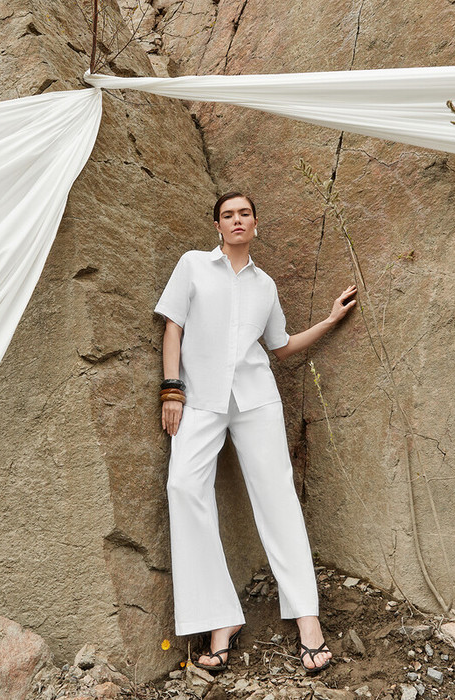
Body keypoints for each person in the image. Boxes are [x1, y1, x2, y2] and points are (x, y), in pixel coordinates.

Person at [154, 192, 357, 673]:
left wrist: (329, 320)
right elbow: (173, 328)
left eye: (244, 213)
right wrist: (171, 391)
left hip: (256, 400)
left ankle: (308, 620)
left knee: (277, 498)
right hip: (199, 400)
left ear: (255, 222)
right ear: (218, 226)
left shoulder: (265, 285)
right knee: (182, 486)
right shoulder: (192, 265)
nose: (237, 220)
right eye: (228, 215)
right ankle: (220, 618)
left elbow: (280, 346)